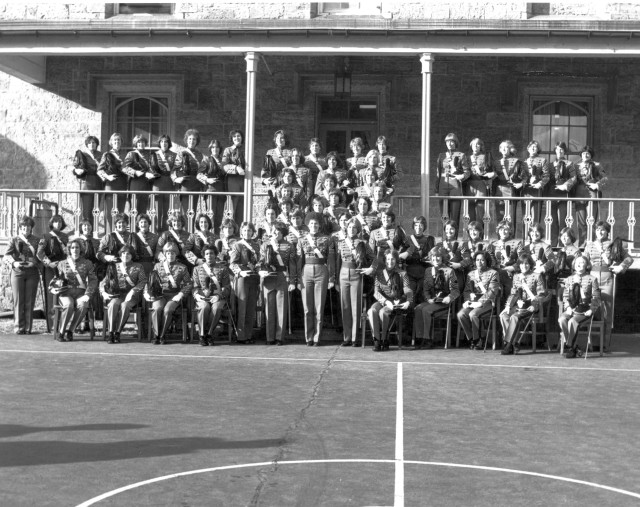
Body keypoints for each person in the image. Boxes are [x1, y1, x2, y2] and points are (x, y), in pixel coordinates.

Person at [582, 221, 633, 344]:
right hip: (592, 279)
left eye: (603, 229)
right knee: (593, 309)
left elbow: (629, 258)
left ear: (607, 231)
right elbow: (583, 261)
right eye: (598, 229)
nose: (600, 232)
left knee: (607, 311)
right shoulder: (589, 245)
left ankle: (604, 343)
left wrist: (621, 267)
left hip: (607, 280)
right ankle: (592, 342)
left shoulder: (613, 244)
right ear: (594, 231)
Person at [334, 217, 374, 346]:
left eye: (354, 227)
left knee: (355, 307)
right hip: (343, 273)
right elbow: (337, 262)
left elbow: (373, 258)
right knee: (345, 306)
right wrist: (336, 280)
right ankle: (346, 337)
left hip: (357, 274)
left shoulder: (363, 243)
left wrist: (369, 269)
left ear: (358, 229)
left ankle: (354, 338)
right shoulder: (341, 242)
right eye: (349, 227)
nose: (351, 229)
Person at [297, 212, 335, 346]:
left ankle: (317, 337)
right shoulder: (302, 239)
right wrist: (297, 278)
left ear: (320, 225)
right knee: (307, 307)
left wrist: (331, 278)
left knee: (319, 306)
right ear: (308, 225)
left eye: (316, 224)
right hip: (306, 271)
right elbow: (298, 260)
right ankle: (309, 337)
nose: (314, 226)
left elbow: (330, 260)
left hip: (321, 271)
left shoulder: (327, 239)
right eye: (311, 223)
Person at [51, 239, 98, 342]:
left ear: (81, 249)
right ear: (69, 249)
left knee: (83, 305)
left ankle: (71, 331)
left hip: (81, 293)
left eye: (77, 247)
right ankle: (62, 332)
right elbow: (55, 279)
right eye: (72, 247)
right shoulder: (62, 263)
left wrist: (88, 294)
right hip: (66, 293)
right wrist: (54, 288)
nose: (75, 249)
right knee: (69, 305)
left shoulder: (87, 263)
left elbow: (93, 280)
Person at [146, 242, 192, 344]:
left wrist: (181, 294)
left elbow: (188, 284)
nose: (170, 255)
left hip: (174, 295)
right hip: (160, 295)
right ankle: (156, 335)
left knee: (168, 310)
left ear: (176, 254)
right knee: (157, 308)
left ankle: (162, 335)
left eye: (173, 253)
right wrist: (147, 292)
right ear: (165, 254)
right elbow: (151, 281)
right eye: (168, 253)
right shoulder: (158, 266)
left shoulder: (182, 267)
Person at [413, 247, 459, 349]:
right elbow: (425, 289)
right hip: (432, 301)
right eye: (433, 257)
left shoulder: (450, 271)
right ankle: (420, 339)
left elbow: (455, 290)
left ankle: (428, 340)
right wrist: (428, 298)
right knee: (418, 308)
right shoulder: (428, 271)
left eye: (438, 256)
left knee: (426, 310)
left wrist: (449, 298)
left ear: (442, 258)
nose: (435, 259)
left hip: (444, 303)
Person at [258, 224, 297, 345]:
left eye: (278, 232)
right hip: (269, 277)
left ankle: (279, 337)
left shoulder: (289, 246)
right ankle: (270, 337)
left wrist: (292, 281)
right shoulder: (265, 245)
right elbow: (260, 260)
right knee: (269, 308)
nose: (275, 234)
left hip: (282, 276)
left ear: (282, 233)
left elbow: (292, 265)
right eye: (273, 232)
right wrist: (260, 270)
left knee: (281, 308)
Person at [499, 254, 545, 355]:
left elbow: (541, 294)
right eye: (522, 264)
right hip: (519, 306)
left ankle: (508, 345)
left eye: (527, 264)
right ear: (519, 265)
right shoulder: (516, 277)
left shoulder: (537, 275)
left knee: (514, 317)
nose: (524, 266)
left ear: (530, 264)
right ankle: (513, 343)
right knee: (504, 315)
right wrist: (508, 306)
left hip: (531, 306)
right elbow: (513, 294)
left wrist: (534, 304)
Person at [100, 245, 147, 344]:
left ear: (132, 255)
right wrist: (103, 292)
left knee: (125, 306)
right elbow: (104, 282)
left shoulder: (138, 266)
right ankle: (111, 332)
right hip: (118, 295)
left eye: (128, 253)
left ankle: (118, 332)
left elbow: (143, 281)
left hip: (132, 296)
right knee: (113, 305)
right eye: (123, 253)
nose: (126, 255)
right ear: (120, 255)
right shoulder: (114, 266)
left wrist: (134, 290)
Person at [368, 249, 412, 351]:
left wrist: (408, 301)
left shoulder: (402, 273)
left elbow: (407, 289)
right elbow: (376, 292)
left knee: (383, 312)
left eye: (392, 259)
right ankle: (376, 340)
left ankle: (385, 339)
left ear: (396, 260)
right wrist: (385, 301)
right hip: (383, 301)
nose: (390, 261)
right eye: (388, 259)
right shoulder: (379, 273)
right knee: (372, 311)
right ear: (385, 259)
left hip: (396, 302)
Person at [558, 255, 601, 358]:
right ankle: (574, 347)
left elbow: (596, 297)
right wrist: (568, 307)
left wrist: (591, 309)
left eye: (582, 262)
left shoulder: (592, 279)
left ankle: (570, 348)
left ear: (586, 265)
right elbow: (565, 296)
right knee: (562, 319)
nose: (579, 264)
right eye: (577, 262)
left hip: (585, 310)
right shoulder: (569, 279)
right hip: (572, 309)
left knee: (573, 321)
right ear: (574, 265)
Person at [4, 216, 41, 334]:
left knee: (29, 300)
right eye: (24, 226)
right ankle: (18, 327)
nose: (26, 228)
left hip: (32, 272)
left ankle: (28, 328)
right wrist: (14, 263)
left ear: (31, 228)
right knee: (18, 300)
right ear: (20, 227)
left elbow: (40, 256)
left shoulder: (37, 240)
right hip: (18, 272)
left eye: (28, 226)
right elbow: (6, 255)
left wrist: (33, 262)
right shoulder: (14, 239)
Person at [457, 250, 500, 349]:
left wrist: (480, 302)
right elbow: (467, 290)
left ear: (487, 261)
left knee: (473, 314)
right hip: (473, 303)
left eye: (482, 260)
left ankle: (481, 339)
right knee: (461, 314)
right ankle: (473, 338)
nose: (479, 262)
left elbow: (492, 291)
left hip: (487, 303)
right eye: (477, 260)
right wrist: (468, 301)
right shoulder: (471, 274)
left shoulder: (493, 273)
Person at [192, 244, 231, 346]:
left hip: (218, 297)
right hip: (203, 297)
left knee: (217, 308)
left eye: (212, 253)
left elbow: (227, 287)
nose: (209, 256)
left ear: (216, 255)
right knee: (204, 307)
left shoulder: (223, 269)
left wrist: (218, 296)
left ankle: (209, 334)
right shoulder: (197, 269)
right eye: (207, 254)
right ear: (204, 255)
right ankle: (202, 335)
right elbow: (195, 286)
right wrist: (197, 295)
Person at [229, 221, 261, 344]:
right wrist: (239, 272)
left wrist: (257, 266)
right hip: (242, 278)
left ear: (253, 232)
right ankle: (240, 335)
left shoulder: (257, 245)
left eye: (249, 230)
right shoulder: (237, 245)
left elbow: (260, 260)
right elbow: (232, 264)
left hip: (253, 278)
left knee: (251, 307)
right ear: (241, 232)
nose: (247, 233)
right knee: (242, 307)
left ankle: (248, 334)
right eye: (245, 230)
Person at [37, 214, 69, 329]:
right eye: (56, 221)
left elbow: (68, 253)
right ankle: (52, 325)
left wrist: (64, 264)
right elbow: (40, 253)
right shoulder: (45, 236)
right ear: (51, 223)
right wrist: (49, 263)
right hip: (50, 268)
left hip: (62, 268)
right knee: (51, 295)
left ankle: (61, 324)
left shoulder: (65, 237)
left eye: (60, 222)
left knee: (62, 294)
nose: (58, 224)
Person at [574, 145, 608, 246]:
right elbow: (572, 179)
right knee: (581, 221)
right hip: (579, 194)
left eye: (588, 153)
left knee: (591, 219)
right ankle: (582, 244)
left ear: (591, 155)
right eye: (584, 153)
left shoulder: (597, 165)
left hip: (592, 194)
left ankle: (592, 244)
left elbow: (605, 178)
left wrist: (596, 184)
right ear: (581, 155)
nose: (586, 155)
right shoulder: (576, 166)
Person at [435, 132, 470, 229]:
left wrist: (461, 176)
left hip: (455, 183)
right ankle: (444, 237)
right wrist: (436, 189)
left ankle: (453, 238)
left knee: (455, 213)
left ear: (456, 143)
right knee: (444, 214)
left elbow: (467, 172)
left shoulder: (461, 155)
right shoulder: (441, 155)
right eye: (447, 141)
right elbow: (438, 173)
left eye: (452, 141)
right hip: (443, 183)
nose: (450, 144)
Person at [545, 141, 576, 246]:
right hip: (552, 194)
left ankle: (563, 245)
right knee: (552, 222)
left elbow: (573, 178)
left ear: (565, 151)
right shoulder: (550, 165)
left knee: (562, 221)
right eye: (558, 149)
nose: (560, 151)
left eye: (562, 149)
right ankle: (553, 245)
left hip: (563, 195)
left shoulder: (569, 164)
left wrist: (565, 185)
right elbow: (546, 178)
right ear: (555, 151)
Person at [399, 215, 434, 303]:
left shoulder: (429, 239)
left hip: (424, 272)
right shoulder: (407, 239)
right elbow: (401, 256)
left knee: (422, 295)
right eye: (416, 225)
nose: (418, 228)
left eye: (421, 225)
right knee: (411, 295)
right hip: (410, 272)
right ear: (413, 226)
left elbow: (433, 255)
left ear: (424, 227)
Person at [494, 139, 527, 230]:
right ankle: (499, 238)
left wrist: (521, 184)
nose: (504, 149)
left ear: (511, 149)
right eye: (502, 147)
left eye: (506, 147)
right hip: (499, 190)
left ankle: (511, 238)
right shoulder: (496, 162)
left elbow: (525, 177)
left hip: (510, 190)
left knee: (510, 217)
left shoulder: (518, 162)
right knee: (499, 216)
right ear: (500, 149)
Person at [97, 132, 128, 227]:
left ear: (121, 142)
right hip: (111, 185)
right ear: (111, 142)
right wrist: (107, 176)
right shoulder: (107, 154)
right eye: (115, 140)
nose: (117, 142)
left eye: (118, 140)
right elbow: (100, 170)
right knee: (110, 211)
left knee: (120, 211)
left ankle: (120, 232)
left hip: (122, 185)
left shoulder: (125, 155)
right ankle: (109, 233)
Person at [197, 139, 227, 234]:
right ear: (210, 148)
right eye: (213, 147)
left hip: (221, 192)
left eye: (217, 147)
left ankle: (216, 238)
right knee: (211, 216)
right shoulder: (206, 160)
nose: (215, 149)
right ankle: (209, 237)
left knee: (219, 217)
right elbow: (199, 174)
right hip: (210, 191)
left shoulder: (224, 161)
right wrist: (207, 180)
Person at [488, 220, 523, 302]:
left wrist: (513, 267)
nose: (503, 232)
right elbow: (490, 259)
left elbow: (522, 260)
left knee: (509, 292)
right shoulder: (493, 244)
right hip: (497, 272)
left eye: (506, 229)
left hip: (511, 274)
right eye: (501, 229)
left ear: (510, 230)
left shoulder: (517, 243)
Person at [173, 129, 205, 215]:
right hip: (185, 183)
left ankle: (191, 228)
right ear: (186, 140)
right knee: (185, 211)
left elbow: (202, 168)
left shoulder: (199, 154)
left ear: (197, 141)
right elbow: (176, 168)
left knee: (193, 211)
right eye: (190, 139)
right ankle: (185, 228)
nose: (192, 141)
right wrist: (177, 178)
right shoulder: (181, 153)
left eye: (194, 139)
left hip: (196, 183)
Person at [72, 135, 103, 221]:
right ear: (87, 144)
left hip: (99, 182)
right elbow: (75, 167)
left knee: (96, 209)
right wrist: (76, 171)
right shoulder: (82, 155)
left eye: (94, 142)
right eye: (89, 143)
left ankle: (94, 230)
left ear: (97, 144)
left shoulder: (101, 155)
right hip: (87, 183)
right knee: (86, 209)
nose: (92, 144)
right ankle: (86, 231)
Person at [149, 134, 177, 229]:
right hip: (158, 183)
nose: (164, 143)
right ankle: (156, 231)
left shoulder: (174, 155)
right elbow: (150, 168)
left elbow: (176, 168)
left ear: (169, 143)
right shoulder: (154, 155)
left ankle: (166, 231)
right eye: (162, 141)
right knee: (156, 211)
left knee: (168, 210)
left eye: (166, 141)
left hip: (169, 182)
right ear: (159, 143)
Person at [123, 134, 154, 216]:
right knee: (134, 208)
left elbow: (151, 167)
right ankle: (133, 227)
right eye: (139, 142)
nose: (141, 144)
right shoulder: (131, 154)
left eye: (143, 142)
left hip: (146, 183)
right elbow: (124, 168)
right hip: (135, 183)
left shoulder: (149, 154)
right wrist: (135, 172)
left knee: (143, 208)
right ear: (136, 143)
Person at [465, 138, 494, 224]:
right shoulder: (467, 158)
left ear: (481, 146)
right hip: (470, 184)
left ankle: (479, 230)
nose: (476, 146)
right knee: (469, 209)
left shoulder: (486, 157)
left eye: (478, 144)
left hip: (481, 183)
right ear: (471, 146)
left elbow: (490, 169)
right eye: (474, 144)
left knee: (480, 208)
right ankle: (471, 230)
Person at [522, 140, 549, 226]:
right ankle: (525, 237)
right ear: (528, 149)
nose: (533, 148)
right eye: (531, 147)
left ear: (538, 149)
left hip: (536, 191)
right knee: (525, 217)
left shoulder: (543, 160)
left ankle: (535, 237)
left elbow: (546, 176)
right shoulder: (524, 162)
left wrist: (540, 183)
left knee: (535, 217)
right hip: (526, 191)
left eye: (535, 147)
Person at [222, 129, 246, 223]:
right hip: (233, 181)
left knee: (242, 209)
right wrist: (235, 168)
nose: (237, 138)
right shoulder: (228, 150)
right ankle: (230, 230)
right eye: (234, 136)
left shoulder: (246, 149)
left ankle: (240, 233)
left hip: (244, 181)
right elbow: (223, 166)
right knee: (232, 209)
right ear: (232, 139)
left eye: (239, 136)